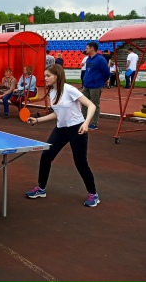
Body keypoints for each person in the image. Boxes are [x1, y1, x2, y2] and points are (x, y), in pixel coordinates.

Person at [24, 64, 100, 208]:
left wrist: (86, 123)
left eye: (48, 76)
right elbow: (57, 113)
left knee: (80, 163)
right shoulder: (52, 92)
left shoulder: (69, 89)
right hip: (61, 129)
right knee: (46, 156)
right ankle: (41, 188)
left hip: (77, 128)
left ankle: (93, 194)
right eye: (45, 75)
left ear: (57, 76)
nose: (45, 78)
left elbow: (91, 106)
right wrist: (38, 120)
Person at [82, 42, 110, 130]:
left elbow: (106, 72)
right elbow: (88, 70)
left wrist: (102, 81)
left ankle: (94, 123)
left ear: (92, 48)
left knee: (95, 104)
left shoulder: (100, 59)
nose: (86, 50)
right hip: (86, 85)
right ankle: (83, 121)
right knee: (84, 103)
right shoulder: (88, 59)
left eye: (87, 48)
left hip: (96, 86)